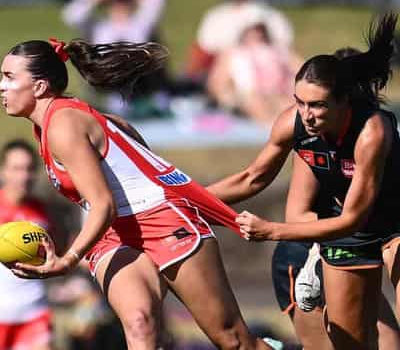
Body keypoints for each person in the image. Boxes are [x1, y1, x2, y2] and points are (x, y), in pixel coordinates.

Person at [0, 37, 272, 350]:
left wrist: (69, 260)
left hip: (164, 222)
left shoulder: (63, 124)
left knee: (234, 341)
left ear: (39, 87)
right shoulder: (50, 126)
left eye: (9, 77)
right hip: (115, 233)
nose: (2, 86)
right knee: (140, 325)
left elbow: (104, 204)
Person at [207, 13, 400, 349]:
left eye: (318, 106)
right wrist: (185, 200)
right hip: (348, 235)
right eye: (300, 102)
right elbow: (252, 178)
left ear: (344, 101)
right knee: (349, 343)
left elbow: (352, 217)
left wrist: (272, 231)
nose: (307, 115)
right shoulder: (295, 126)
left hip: (392, 225)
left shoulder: (372, 132)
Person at [185, 0, 293, 82]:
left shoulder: (272, 17)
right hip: (225, 77)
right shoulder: (217, 17)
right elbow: (202, 53)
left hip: (266, 78)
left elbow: (284, 54)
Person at [0, 140, 54, 350]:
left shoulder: (44, 212)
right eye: (16, 168)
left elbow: (59, 252)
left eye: (29, 169)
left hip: (34, 312)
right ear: (4, 171)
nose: (23, 176)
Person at [207, 20, 299, 125]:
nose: (255, 37)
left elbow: (301, 69)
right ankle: (272, 127)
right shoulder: (234, 53)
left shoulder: (278, 50)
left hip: (277, 91)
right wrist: (226, 95)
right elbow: (217, 81)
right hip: (247, 94)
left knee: (290, 106)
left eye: (259, 34)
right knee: (256, 102)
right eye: (252, 33)